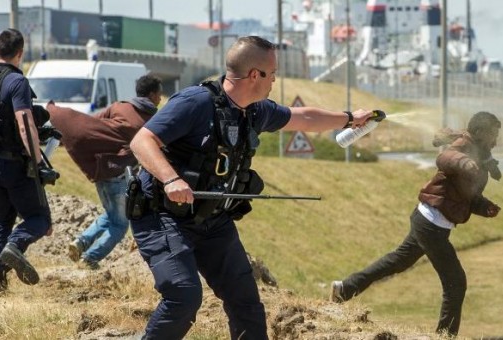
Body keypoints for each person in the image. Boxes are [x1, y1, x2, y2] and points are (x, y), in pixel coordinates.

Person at [128, 35, 375, 340]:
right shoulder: (195, 103)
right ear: (255, 75)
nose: (275, 79)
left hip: (212, 219)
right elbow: (142, 141)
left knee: (245, 301)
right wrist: (171, 179)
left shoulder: (255, 110)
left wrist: (350, 119)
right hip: (162, 216)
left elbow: (303, 117)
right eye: (272, 73)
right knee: (183, 296)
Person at [330, 111, 503, 337]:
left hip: (429, 220)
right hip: (432, 224)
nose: (496, 141)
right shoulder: (464, 146)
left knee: (398, 261)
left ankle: (345, 288)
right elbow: (444, 159)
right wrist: (466, 162)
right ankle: (445, 335)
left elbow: (463, 194)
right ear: (480, 133)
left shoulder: (478, 152)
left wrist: (484, 207)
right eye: (493, 135)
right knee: (456, 283)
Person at [44, 75, 163, 270]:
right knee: (120, 225)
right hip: (118, 176)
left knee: (112, 215)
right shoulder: (151, 122)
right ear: (151, 95)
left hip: (100, 169)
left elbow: (93, 124)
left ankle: (81, 242)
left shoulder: (119, 106)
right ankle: (90, 258)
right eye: (159, 94)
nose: (160, 98)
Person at [0, 28, 52, 296]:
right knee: (39, 218)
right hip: (12, 163)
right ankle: (15, 246)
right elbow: (24, 124)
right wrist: (38, 161)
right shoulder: (17, 82)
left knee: (1, 218)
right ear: (21, 53)